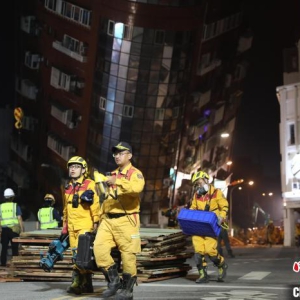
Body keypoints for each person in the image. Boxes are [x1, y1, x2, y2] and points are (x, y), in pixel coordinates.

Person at [93, 142, 145, 300]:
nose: (117, 156)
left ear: (129, 156)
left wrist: (117, 182)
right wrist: (100, 218)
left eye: (121, 153)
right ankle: (114, 281)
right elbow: (107, 199)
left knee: (128, 255)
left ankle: (127, 290)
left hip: (127, 220)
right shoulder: (112, 174)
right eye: (115, 153)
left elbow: (137, 189)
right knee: (99, 249)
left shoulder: (135, 173)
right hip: (108, 220)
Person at [62, 156, 100, 295]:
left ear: (84, 169)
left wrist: (96, 221)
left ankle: (80, 283)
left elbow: (95, 204)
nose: (73, 169)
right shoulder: (68, 187)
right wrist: (64, 224)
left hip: (85, 225)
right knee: (75, 255)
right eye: (71, 167)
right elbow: (66, 208)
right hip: (72, 227)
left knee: (83, 256)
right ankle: (84, 283)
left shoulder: (89, 184)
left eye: (76, 167)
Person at [189, 171, 228, 283]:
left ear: (206, 180)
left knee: (210, 250)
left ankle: (221, 265)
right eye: (196, 184)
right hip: (199, 225)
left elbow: (224, 206)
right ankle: (203, 275)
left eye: (199, 182)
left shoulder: (217, 192)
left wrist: (221, 216)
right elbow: (193, 208)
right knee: (198, 251)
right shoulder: (196, 195)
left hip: (211, 225)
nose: (198, 185)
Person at [0, 188, 24, 266]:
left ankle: (3, 264)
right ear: (12, 197)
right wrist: (22, 230)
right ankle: (15, 264)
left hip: (4, 230)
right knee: (15, 248)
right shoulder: (15, 206)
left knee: (4, 248)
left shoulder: (1, 206)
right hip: (14, 230)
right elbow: (19, 218)